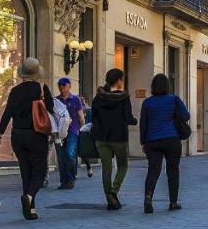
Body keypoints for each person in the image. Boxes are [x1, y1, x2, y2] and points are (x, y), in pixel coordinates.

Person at [0, 57, 54, 220]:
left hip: (18, 136)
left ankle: (30, 210)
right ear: (37, 73)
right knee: (40, 171)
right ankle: (28, 197)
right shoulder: (41, 88)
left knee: (26, 172)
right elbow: (51, 108)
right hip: (36, 134)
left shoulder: (15, 91)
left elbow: (7, 114)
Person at [139, 73, 188, 214]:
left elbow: (143, 124)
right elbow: (186, 116)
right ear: (168, 86)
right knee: (173, 170)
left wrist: (143, 142)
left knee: (153, 170)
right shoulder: (174, 99)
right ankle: (173, 202)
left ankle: (148, 199)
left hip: (152, 140)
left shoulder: (147, 103)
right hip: (172, 139)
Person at [90, 68, 137, 210]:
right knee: (123, 165)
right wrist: (134, 121)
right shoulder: (123, 98)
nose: (123, 82)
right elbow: (128, 118)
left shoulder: (98, 97)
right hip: (119, 138)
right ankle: (114, 191)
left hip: (101, 138)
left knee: (106, 169)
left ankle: (110, 200)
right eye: (122, 79)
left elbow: (93, 117)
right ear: (118, 81)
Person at [53, 77, 84, 189]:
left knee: (70, 154)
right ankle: (63, 181)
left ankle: (71, 178)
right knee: (61, 157)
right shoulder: (56, 100)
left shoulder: (75, 100)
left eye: (64, 85)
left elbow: (80, 116)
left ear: (69, 86)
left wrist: (81, 129)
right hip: (58, 132)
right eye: (60, 85)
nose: (61, 87)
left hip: (72, 130)